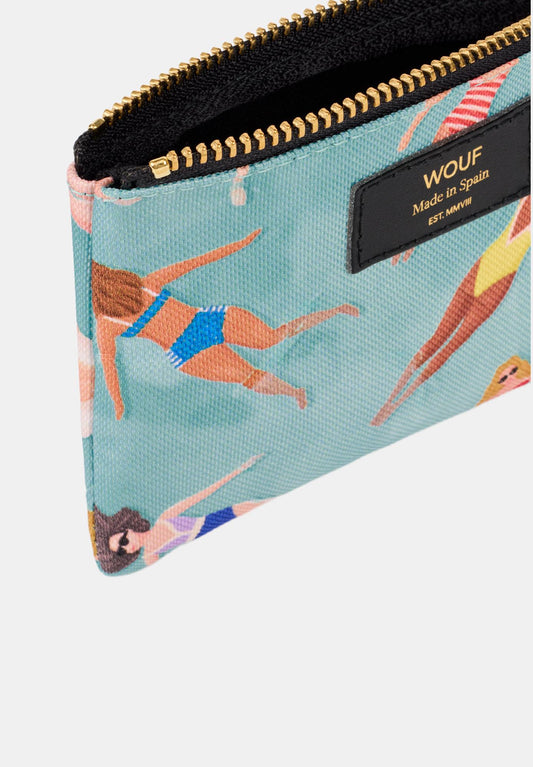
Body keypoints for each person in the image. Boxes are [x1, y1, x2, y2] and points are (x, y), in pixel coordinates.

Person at [93, 229, 359, 417]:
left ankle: (332, 317)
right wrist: (240, 244)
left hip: (191, 343)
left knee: (257, 361)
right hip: (196, 337)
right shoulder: (141, 289)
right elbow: (198, 261)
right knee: (268, 345)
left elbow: (109, 365)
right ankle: (297, 388)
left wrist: (118, 402)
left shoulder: (116, 315)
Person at [372, 196, 530, 426]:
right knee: (439, 342)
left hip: (493, 279)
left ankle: (394, 405)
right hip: (482, 272)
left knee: (446, 345)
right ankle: (389, 403)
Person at [91, 455, 266, 573]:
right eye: (122, 552)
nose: (127, 548)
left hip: (215, 519)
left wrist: (238, 470)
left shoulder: (164, 518)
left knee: (254, 502)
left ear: (127, 529)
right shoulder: (149, 555)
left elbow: (201, 495)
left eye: (123, 541)